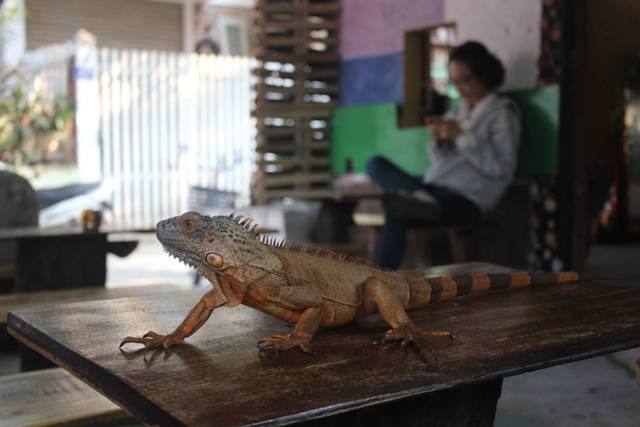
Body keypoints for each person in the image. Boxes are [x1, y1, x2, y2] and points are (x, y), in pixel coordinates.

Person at [367, 41, 521, 269]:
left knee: (398, 211)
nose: (459, 88)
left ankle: (377, 282)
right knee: (375, 163)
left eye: (465, 80)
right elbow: (440, 162)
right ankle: (420, 196)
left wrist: (461, 137)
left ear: (484, 75)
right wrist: (439, 140)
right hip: (434, 190)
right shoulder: (459, 111)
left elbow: (501, 169)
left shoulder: (502, 113)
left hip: (468, 200)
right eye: (454, 82)